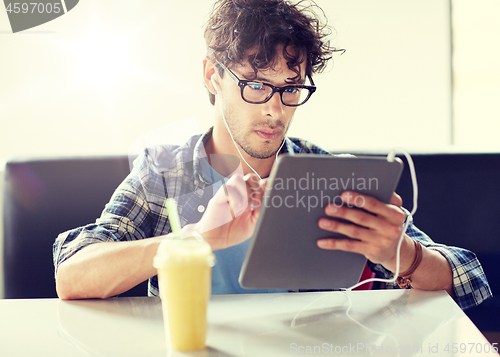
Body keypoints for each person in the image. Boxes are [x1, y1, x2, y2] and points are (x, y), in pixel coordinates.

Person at [53, 0, 491, 310]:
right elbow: (73, 275)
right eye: (257, 84)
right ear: (213, 76)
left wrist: (402, 254)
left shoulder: (325, 173)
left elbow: (470, 279)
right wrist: (196, 240)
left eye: (290, 88)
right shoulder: (167, 172)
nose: (274, 110)